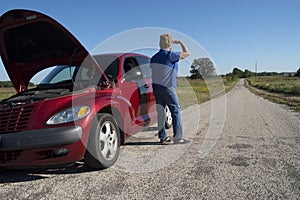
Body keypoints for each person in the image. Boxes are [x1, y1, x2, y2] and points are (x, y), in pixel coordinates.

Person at [150, 33, 190, 144]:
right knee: (175, 110)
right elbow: (187, 53)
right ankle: (178, 137)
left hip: (156, 87)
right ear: (170, 43)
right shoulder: (170, 55)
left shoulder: (154, 57)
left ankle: (163, 137)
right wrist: (181, 42)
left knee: (161, 112)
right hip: (168, 87)